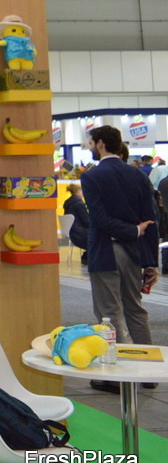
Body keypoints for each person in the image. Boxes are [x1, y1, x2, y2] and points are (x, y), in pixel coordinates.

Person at [80, 125, 160, 394]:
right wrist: (150, 261)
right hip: (134, 253)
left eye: (91, 142)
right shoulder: (138, 175)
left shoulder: (92, 177)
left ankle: (118, 377)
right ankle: (149, 372)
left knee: (109, 313)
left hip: (106, 251)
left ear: (101, 143)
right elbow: (151, 220)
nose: (90, 147)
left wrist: (132, 230)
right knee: (135, 310)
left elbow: (100, 219)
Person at [64, 183, 90, 266]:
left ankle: (87, 256)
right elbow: (86, 222)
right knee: (99, 234)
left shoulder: (67, 202)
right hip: (79, 232)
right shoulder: (79, 204)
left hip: (72, 230)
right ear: (78, 191)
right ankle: (88, 257)